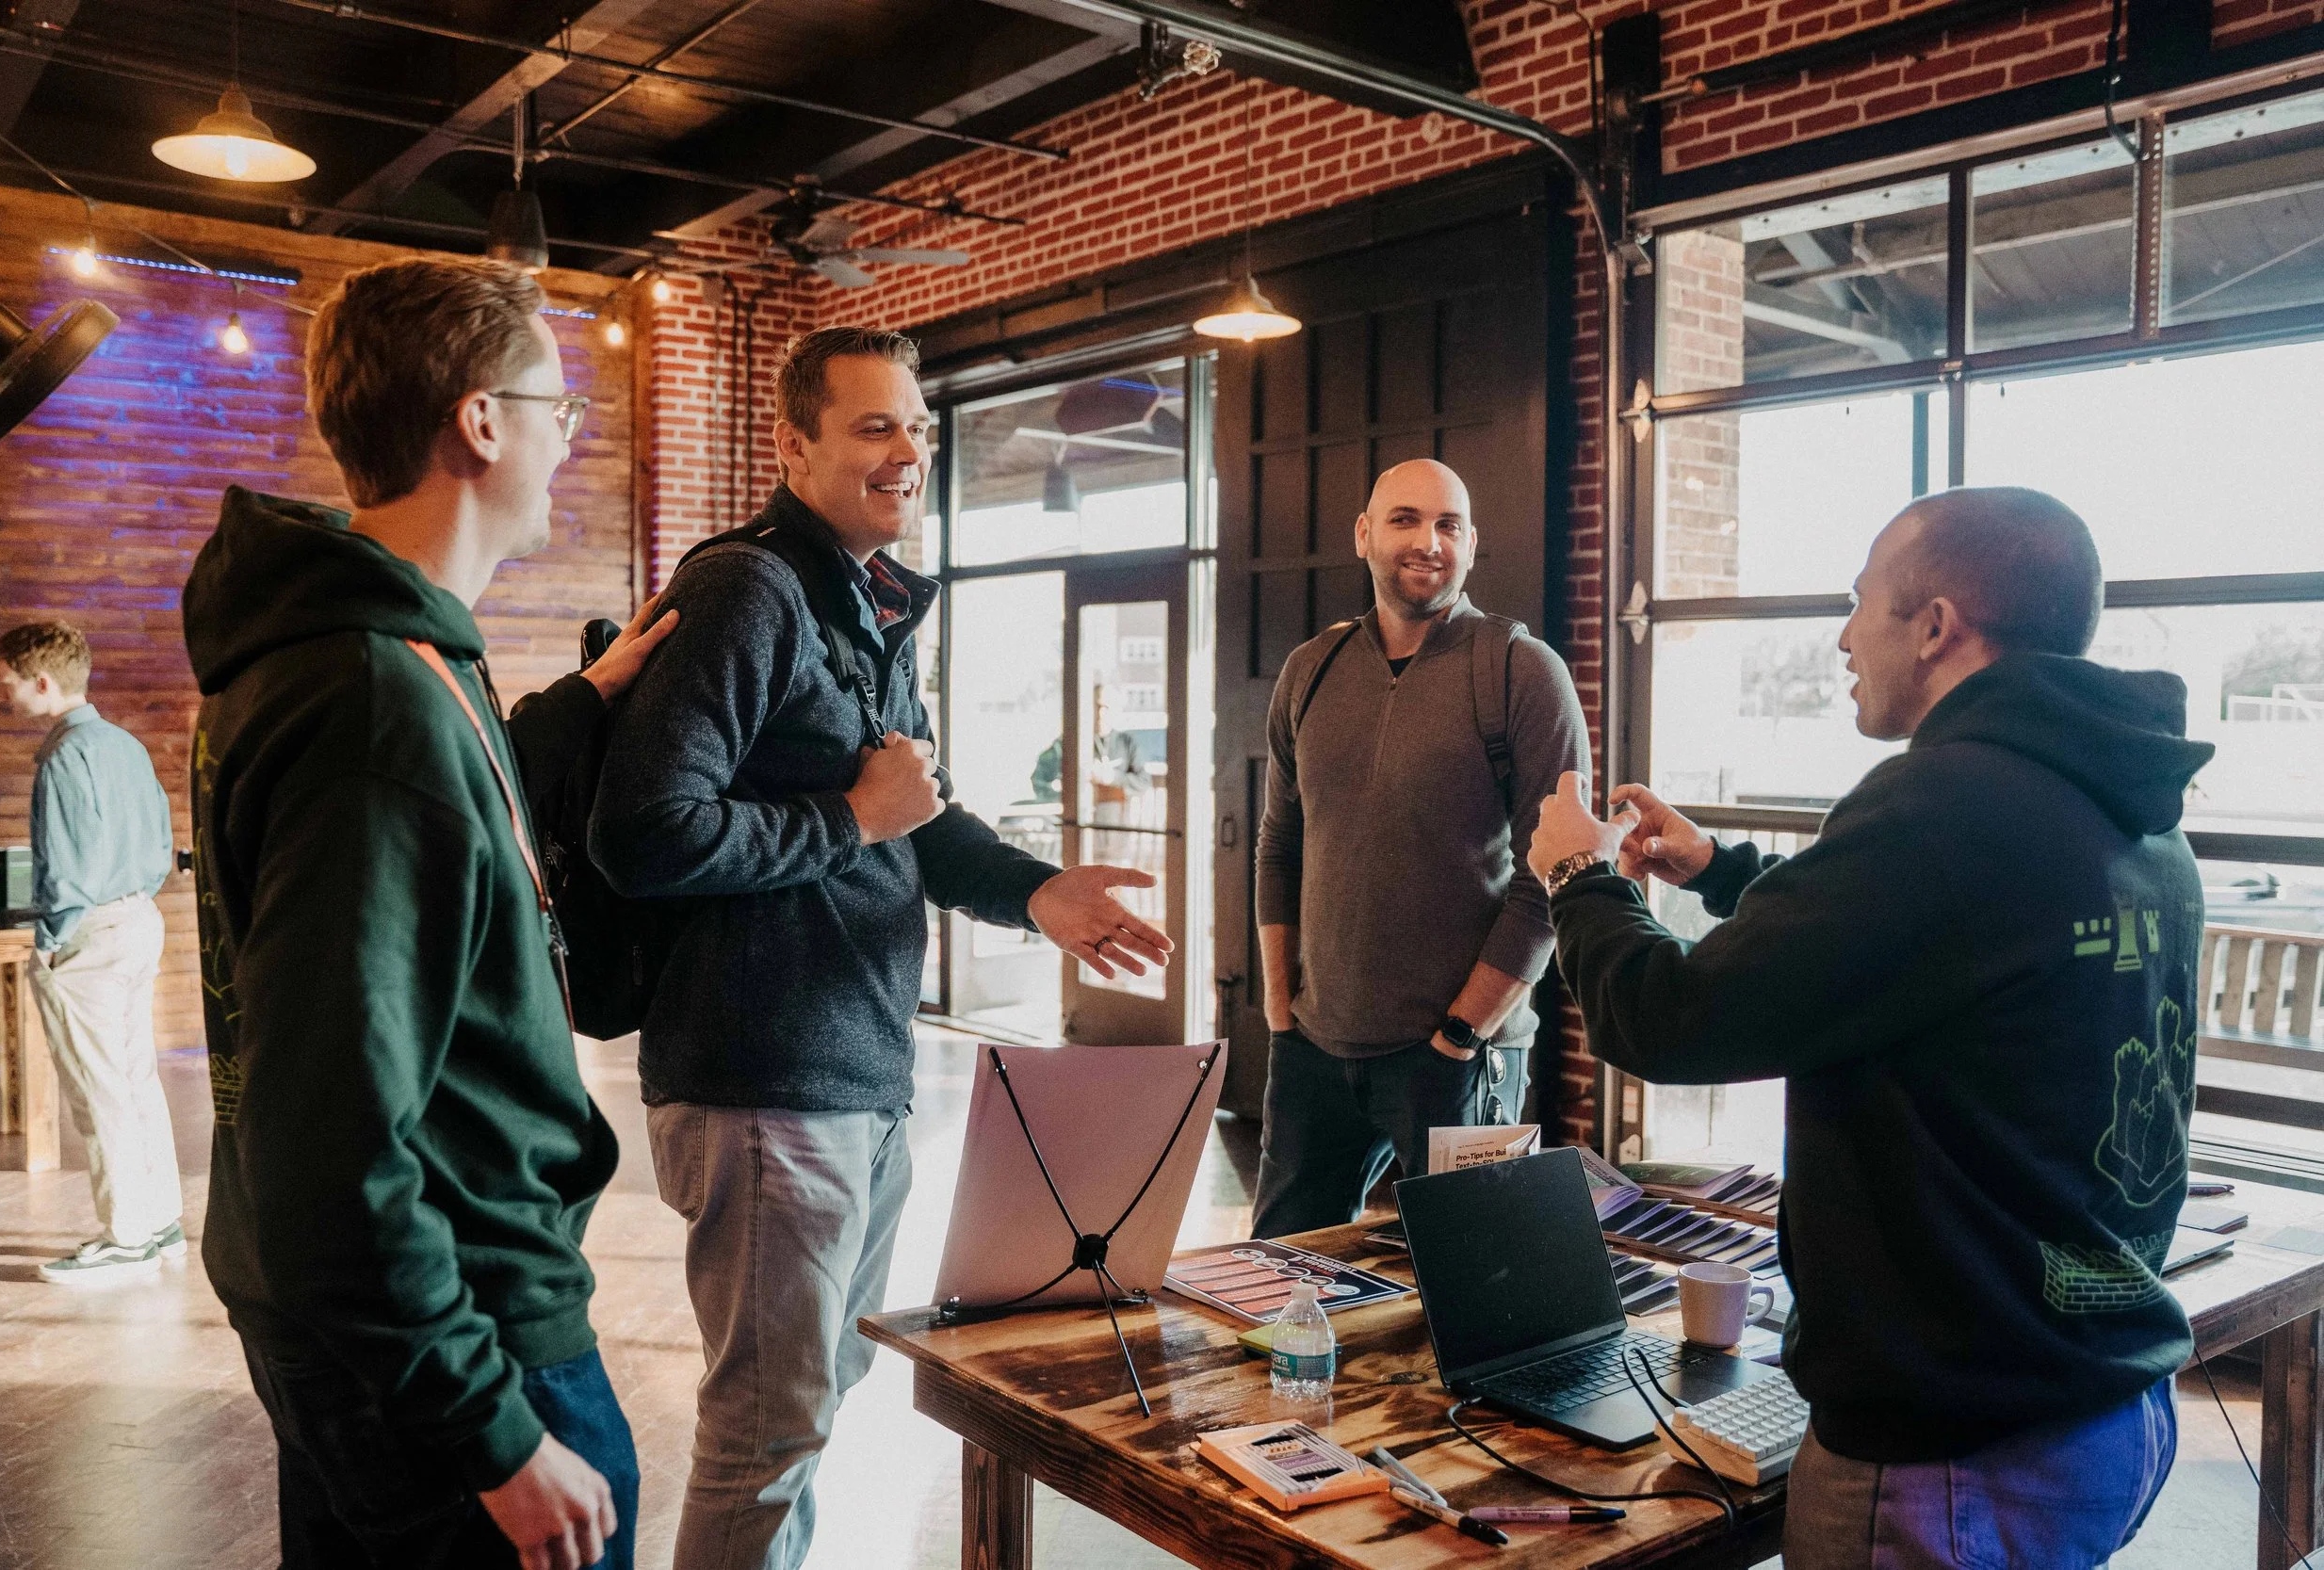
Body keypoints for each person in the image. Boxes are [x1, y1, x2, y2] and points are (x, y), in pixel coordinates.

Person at [1527, 487, 2203, 1569]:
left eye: (1859, 605)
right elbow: (1910, 938)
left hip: (1950, 1449)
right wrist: (1720, 870)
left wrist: (1576, 876)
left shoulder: (1940, 803)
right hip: (2091, 1396)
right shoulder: (2123, 803)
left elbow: (1667, 1018)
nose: (1842, 637)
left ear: (1935, 624)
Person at [591, 324, 1173, 1570]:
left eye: (919, 425)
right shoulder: (750, 590)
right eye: (874, 425)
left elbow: (920, 816)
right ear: (792, 444)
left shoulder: (858, 602)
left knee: (811, 1401)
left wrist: (1039, 893)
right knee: (768, 1426)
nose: (910, 449)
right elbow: (642, 829)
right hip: (761, 1073)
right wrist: (850, 816)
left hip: (853, 1068)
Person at [185, 256, 671, 1570]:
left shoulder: (352, 651)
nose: (570, 443)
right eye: (559, 410)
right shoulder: (372, 699)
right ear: (480, 418)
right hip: (462, 1318)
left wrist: (576, 706)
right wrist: (492, 1433)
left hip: (385, 1316)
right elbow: (327, 1139)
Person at [1249, 459, 1589, 1239]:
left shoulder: (1520, 670)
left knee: (1475, 1295)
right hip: (1313, 1050)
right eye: (1405, 519)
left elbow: (1554, 881)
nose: (1427, 541)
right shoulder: (1311, 669)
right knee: (1277, 1283)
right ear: (1364, 535)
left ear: (1472, 544)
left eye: (1448, 525)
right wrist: (1280, 1010)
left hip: (1459, 1058)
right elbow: (1280, 843)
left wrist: (1460, 1038)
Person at [0, 622, 180, 1286]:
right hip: (138, 919)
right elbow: (162, 841)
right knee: (134, 1078)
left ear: (41, 680)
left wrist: (49, 943)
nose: (5, 691)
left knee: (99, 1088)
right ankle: (160, 1224)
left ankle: (127, 1238)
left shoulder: (66, 754)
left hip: (89, 936)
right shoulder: (124, 744)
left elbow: (67, 870)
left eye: (8, 680)